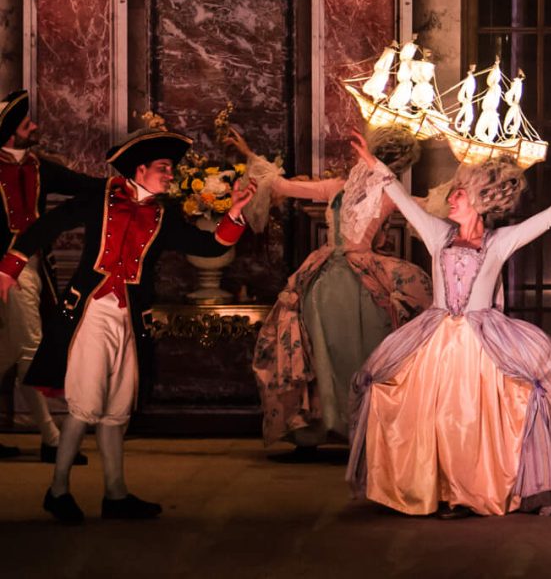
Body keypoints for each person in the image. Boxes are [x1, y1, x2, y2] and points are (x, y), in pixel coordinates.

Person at [0, 120, 253, 524]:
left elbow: (208, 245)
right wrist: (9, 268)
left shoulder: (163, 215)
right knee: (84, 406)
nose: (170, 174)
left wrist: (234, 213)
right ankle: (58, 488)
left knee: (117, 408)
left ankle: (115, 493)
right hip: (89, 314)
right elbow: (46, 225)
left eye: (171, 169)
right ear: (140, 171)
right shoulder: (99, 198)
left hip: (129, 318)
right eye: (163, 168)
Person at [347, 135, 551, 516]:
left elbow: (547, 218)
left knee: (474, 418)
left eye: (458, 195)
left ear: (479, 201)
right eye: (453, 195)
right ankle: (436, 486)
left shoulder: (499, 241)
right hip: (436, 337)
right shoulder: (440, 235)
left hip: (483, 339)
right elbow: (403, 202)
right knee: (430, 413)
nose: (451, 200)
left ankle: (470, 489)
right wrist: (375, 164)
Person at [234, 122, 431, 454]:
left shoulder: (338, 188)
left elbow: (277, 183)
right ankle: (360, 428)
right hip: (359, 279)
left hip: (324, 279)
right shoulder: (386, 193)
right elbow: (428, 208)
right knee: (361, 349)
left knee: (324, 349)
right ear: (395, 165)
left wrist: (250, 156)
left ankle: (322, 428)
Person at [0, 90, 99, 463]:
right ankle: (52, 439)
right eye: (27, 125)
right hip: (8, 271)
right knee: (31, 347)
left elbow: (88, 186)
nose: (35, 127)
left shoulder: (40, 166)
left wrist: (132, 189)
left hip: (34, 266)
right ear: (10, 135)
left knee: (10, 349)